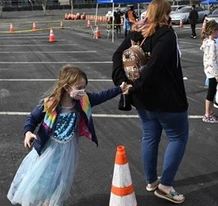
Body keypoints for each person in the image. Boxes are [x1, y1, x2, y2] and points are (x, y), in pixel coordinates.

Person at [7, 64, 129, 206]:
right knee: (43, 175)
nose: (82, 91)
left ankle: (51, 201)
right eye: (79, 88)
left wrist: (119, 89)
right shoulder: (50, 103)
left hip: (68, 147)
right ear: (66, 87)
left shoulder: (83, 101)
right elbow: (32, 118)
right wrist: (28, 132)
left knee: (60, 177)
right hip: (49, 147)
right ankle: (40, 200)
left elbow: (102, 96)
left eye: (84, 87)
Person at [112, 0, 188, 204]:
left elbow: (117, 55)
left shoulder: (136, 32)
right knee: (178, 137)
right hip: (167, 98)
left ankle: (151, 180)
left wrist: (123, 83)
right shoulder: (166, 35)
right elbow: (154, 66)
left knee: (150, 137)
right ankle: (166, 185)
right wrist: (134, 86)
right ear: (165, 14)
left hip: (142, 99)